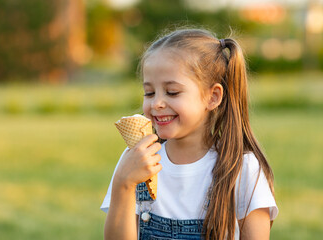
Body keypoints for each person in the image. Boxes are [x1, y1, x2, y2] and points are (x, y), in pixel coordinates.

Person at [101, 28, 278, 240]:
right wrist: (124, 183)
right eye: (149, 93)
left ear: (212, 97)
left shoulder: (242, 170)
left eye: (172, 92)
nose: (156, 103)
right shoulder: (137, 161)